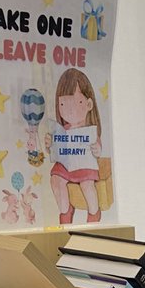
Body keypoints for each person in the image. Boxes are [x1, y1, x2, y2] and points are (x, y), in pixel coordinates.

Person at [46, 69, 103, 225]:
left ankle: (94, 213)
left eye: (75, 102)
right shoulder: (62, 130)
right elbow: (55, 151)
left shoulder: (90, 130)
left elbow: (97, 147)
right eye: (63, 104)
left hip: (84, 167)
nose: (69, 110)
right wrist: (50, 145)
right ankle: (65, 211)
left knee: (87, 185)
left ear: (89, 104)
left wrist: (97, 149)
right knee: (55, 180)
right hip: (66, 165)